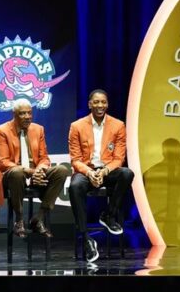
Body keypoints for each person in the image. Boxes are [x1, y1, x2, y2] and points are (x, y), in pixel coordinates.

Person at [68, 89, 134, 263]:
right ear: (90, 104)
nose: (100, 105)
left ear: (107, 104)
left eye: (103, 102)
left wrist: (104, 171)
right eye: (96, 102)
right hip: (86, 171)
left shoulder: (118, 125)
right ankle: (86, 239)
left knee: (127, 173)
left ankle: (109, 214)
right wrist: (90, 172)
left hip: (107, 171)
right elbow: (75, 159)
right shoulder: (77, 126)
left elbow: (119, 158)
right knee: (75, 186)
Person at [0, 98, 69, 239]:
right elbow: (2, 162)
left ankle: (38, 218)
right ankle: (19, 220)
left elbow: (44, 158)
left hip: (35, 174)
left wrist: (39, 170)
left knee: (62, 170)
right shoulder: (1, 130)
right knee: (17, 172)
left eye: (29, 113)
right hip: (11, 177)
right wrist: (28, 171)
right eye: (22, 113)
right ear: (14, 114)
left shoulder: (38, 129)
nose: (27, 117)